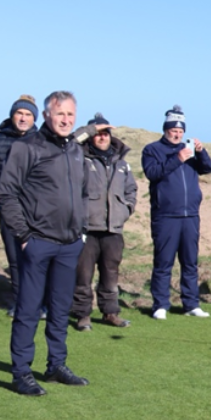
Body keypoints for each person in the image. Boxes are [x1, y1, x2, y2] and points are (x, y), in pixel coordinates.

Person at [0, 91, 104, 396]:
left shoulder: (74, 149)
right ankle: (21, 373)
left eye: (70, 115)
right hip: (38, 242)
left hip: (69, 243)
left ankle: (56, 364)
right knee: (29, 310)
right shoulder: (26, 147)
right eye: (60, 114)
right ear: (46, 115)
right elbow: (7, 193)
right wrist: (25, 236)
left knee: (59, 309)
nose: (66, 120)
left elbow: (83, 192)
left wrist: (81, 229)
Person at [141, 105, 211, 320]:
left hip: (190, 215)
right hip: (165, 216)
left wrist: (201, 152)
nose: (178, 134)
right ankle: (160, 305)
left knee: (190, 262)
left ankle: (191, 304)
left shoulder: (189, 150)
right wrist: (178, 158)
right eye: (174, 130)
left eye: (181, 131)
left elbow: (208, 168)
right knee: (163, 263)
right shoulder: (152, 150)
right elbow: (153, 173)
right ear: (166, 129)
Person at [71, 113, 138, 331]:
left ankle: (110, 313)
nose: (101, 138)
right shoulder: (78, 158)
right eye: (97, 134)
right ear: (90, 136)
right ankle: (82, 315)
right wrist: (87, 129)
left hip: (113, 230)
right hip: (87, 229)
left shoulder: (122, 164)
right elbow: (69, 142)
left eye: (105, 134)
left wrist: (125, 210)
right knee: (83, 275)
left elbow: (131, 191)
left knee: (111, 275)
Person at [0, 94, 39, 316]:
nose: (23, 118)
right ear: (12, 115)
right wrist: (2, 195)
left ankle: (39, 303)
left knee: (36, 258)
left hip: (36, 211)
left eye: (27, 114)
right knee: (15, 259)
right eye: (19, 113)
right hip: (8, 209)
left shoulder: (42, 141)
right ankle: (20, 303)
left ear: (34, 118)